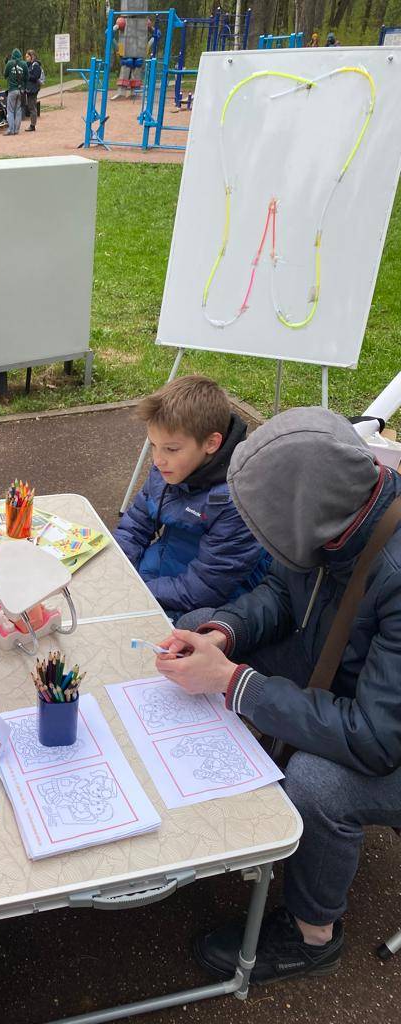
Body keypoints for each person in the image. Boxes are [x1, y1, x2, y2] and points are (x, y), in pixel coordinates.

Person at [155, 407, 401, 986]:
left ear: (302, 510)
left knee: (318, 782)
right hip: (343, 677)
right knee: (197, 629)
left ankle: (314, 935)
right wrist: (223, 634)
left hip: (385, 733)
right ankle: (229, 803)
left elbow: (375, 739)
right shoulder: (335, 510)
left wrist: (235, 683)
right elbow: (280, 591)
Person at [114, 375, 268, 619]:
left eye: (171, 449)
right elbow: (135, 525)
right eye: (153, 445)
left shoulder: (236, 502)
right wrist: (117, 568)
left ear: (211, 443)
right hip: (162, 573)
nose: (157, 459)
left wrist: (137, 591)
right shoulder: (171, 468)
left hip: (207, 606)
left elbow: (204, 589)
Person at [4, 47, 28, 135]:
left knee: (10, 110)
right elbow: (27, 77)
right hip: (21, 90)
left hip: (12, 89)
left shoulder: (9, 63)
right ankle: (17, 130)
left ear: (13, 55)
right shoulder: (24, 64)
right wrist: (23, 86)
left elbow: (5, 75)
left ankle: (11, 129)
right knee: (18, 110)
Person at [24, 49, 43, 131]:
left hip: (33, 89)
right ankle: (32, 124)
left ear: (32, 56)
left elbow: (36, 77)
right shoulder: (29, 65)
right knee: (30, 106)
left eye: (27, 57)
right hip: (29, 89)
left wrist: (27, 75)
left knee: (32, 107)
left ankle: (32, 125)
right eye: (26, 57)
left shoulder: (36, 65)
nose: (26, 58)